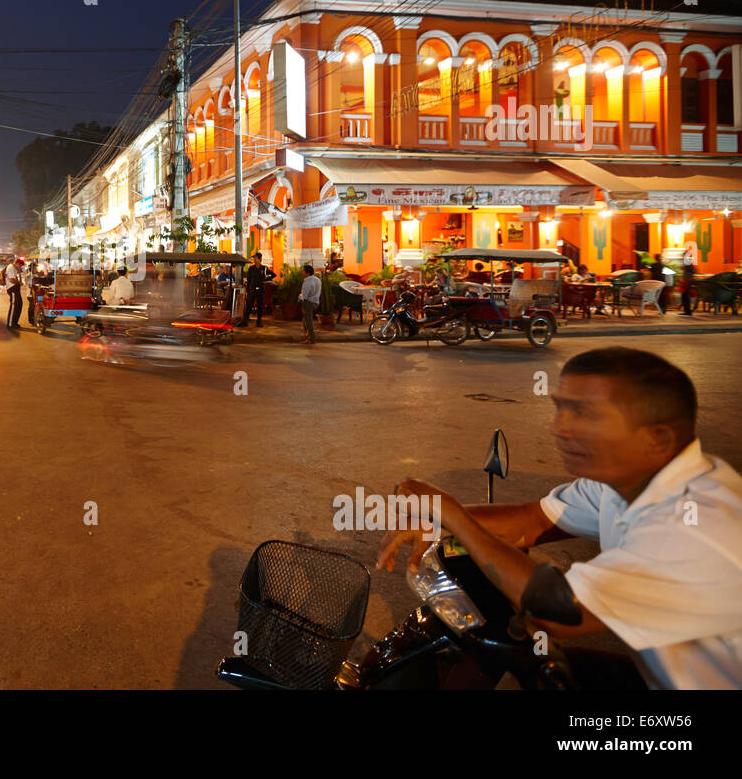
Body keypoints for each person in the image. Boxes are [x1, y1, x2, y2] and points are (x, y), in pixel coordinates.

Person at [378, 347, 742, 689]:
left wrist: (451, 512)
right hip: (662, 673)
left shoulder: (696, 525)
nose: (559, 428)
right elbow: (532, 521)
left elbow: (557, 611)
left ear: (656, 439)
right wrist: (439, 521)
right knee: (540, 668)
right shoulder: (619, 485)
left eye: (584, 413)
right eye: (561, 408)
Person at [236, 252, 272, 327]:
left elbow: (273, 275)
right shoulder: (251, 268)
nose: (254, 260)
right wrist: (248, 290)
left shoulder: (264, 268)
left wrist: (265, 279)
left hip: (260, 290)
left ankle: (259, 321)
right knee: (249, 305)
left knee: (260, 306)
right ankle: (245, 321)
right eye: (254, 258)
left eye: (256, 258)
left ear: (260, 259)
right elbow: (249, 280)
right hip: (252, 289)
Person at [297, 263, 321, 344]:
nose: (302, 272)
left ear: (307, 273)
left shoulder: (307, 282)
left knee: (308, 321)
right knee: (305, 320)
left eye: (303, 271)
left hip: (308, 303)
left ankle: (311, 338)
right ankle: (308, 336)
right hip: (316, 302)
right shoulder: (317, 280)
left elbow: (305, 296)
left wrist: (299, 297)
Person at [679, 239, 699, 315]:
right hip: (686, 281)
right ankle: (686, 311)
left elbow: (692, 271)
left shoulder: (687, 263)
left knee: (685, 296)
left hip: (686, 282)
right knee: (685, 296)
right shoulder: (687, 263)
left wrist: (688, 280)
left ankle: (687, 311)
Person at [3, 257, 24, 329]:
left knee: (19, 305)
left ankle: (15, 322)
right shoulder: (11, 267)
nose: (20, 267)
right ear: (17, 263)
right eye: (20, 265)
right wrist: (19, 283)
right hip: (12, 288)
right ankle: (10, 324)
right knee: (14, 306)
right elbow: (11, 279)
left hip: (16, 288)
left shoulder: (15, 269)